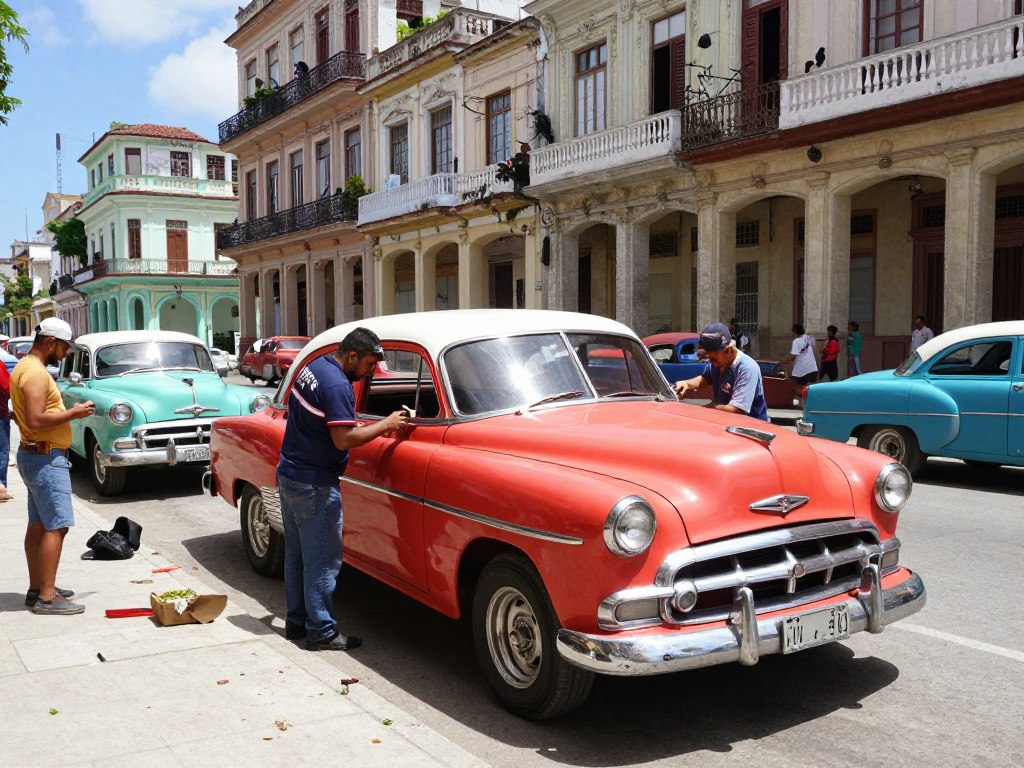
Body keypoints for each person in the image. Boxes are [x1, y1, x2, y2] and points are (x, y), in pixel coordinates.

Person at [277, 327, 407, 651]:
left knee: (296, 556)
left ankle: (296, 622)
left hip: (290, 474)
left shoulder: (316, 366)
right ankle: (321, 632)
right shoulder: (337, 384)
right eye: (368, 365)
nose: (370, 372)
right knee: (322, 561)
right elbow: (343, 439)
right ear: (352, 356)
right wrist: (387, 425)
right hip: (315, 485)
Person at [11, 319, 95, 615]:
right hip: (45, 458)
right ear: (49, 342)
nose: (65, 353)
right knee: (57, 526)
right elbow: (35, 419)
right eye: (63, 347)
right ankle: (47, 597)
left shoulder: (24, 366)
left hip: (35, 454)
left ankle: (38, 587)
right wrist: (74, 413)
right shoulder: (35, 373)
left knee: (39, 524)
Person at [672, 322, 769, 422]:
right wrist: (686, 384)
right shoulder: (718, 362)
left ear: (728, 350)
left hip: (752, 428)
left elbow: (736, 410)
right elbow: (705, 378)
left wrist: (702, 411)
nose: (711, 361)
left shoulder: (747, 368)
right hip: (726, 423)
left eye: (713, 357)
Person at [786, 324, 818, 405]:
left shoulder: (796, 341)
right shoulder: (809, 338)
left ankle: (801, 405)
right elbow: (815, 351)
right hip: (812, 368)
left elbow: (793, 356)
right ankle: (807, 405)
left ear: (795, 332)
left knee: (795, 389)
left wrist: (786, 359)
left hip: (801, 370)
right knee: (809, 389)